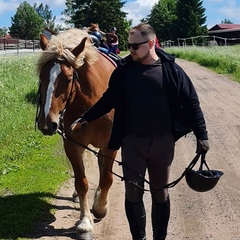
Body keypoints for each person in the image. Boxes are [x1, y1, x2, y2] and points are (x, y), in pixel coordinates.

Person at [70, 23, 209, 240]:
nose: (131, 50)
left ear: (151, 43)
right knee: (133, 193)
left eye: (135, 46)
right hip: (132, 143)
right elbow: (108, 100)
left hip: (163, 143)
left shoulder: (172, 70)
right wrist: (86, 117)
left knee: (160, 193)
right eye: (129, 45)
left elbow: (192, 103)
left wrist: (203, 136)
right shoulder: (123, 72)